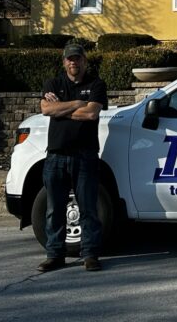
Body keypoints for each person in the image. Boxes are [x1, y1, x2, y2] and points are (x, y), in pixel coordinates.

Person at [36, 43, 108, 272]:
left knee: (88, 209)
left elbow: (91, 113)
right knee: (54, 209)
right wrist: (77, 103)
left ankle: (90, 255)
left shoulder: (96, 84)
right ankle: (55, 255)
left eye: (77, 59)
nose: (73, 62)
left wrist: (62, 108)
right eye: (69, 59)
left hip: (85, 156)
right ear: (64, 62)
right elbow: (47, 110)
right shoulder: (53, 83)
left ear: (84, 61)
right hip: (56, 156)